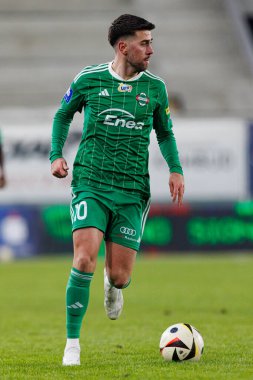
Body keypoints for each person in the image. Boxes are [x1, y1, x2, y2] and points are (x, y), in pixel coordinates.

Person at [50, 14, 184, 366]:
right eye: (145, 42)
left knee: (121, 276)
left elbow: (165, 132)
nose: (151, 49)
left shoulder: (155, 88)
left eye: (151, 42)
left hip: (132, 190)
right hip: (91, 182)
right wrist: (55, 155)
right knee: (83, 258)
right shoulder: (89, 79)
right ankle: (72, 345)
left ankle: (113, 283)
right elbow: (62, 114)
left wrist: (175, 169)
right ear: (123, 47)